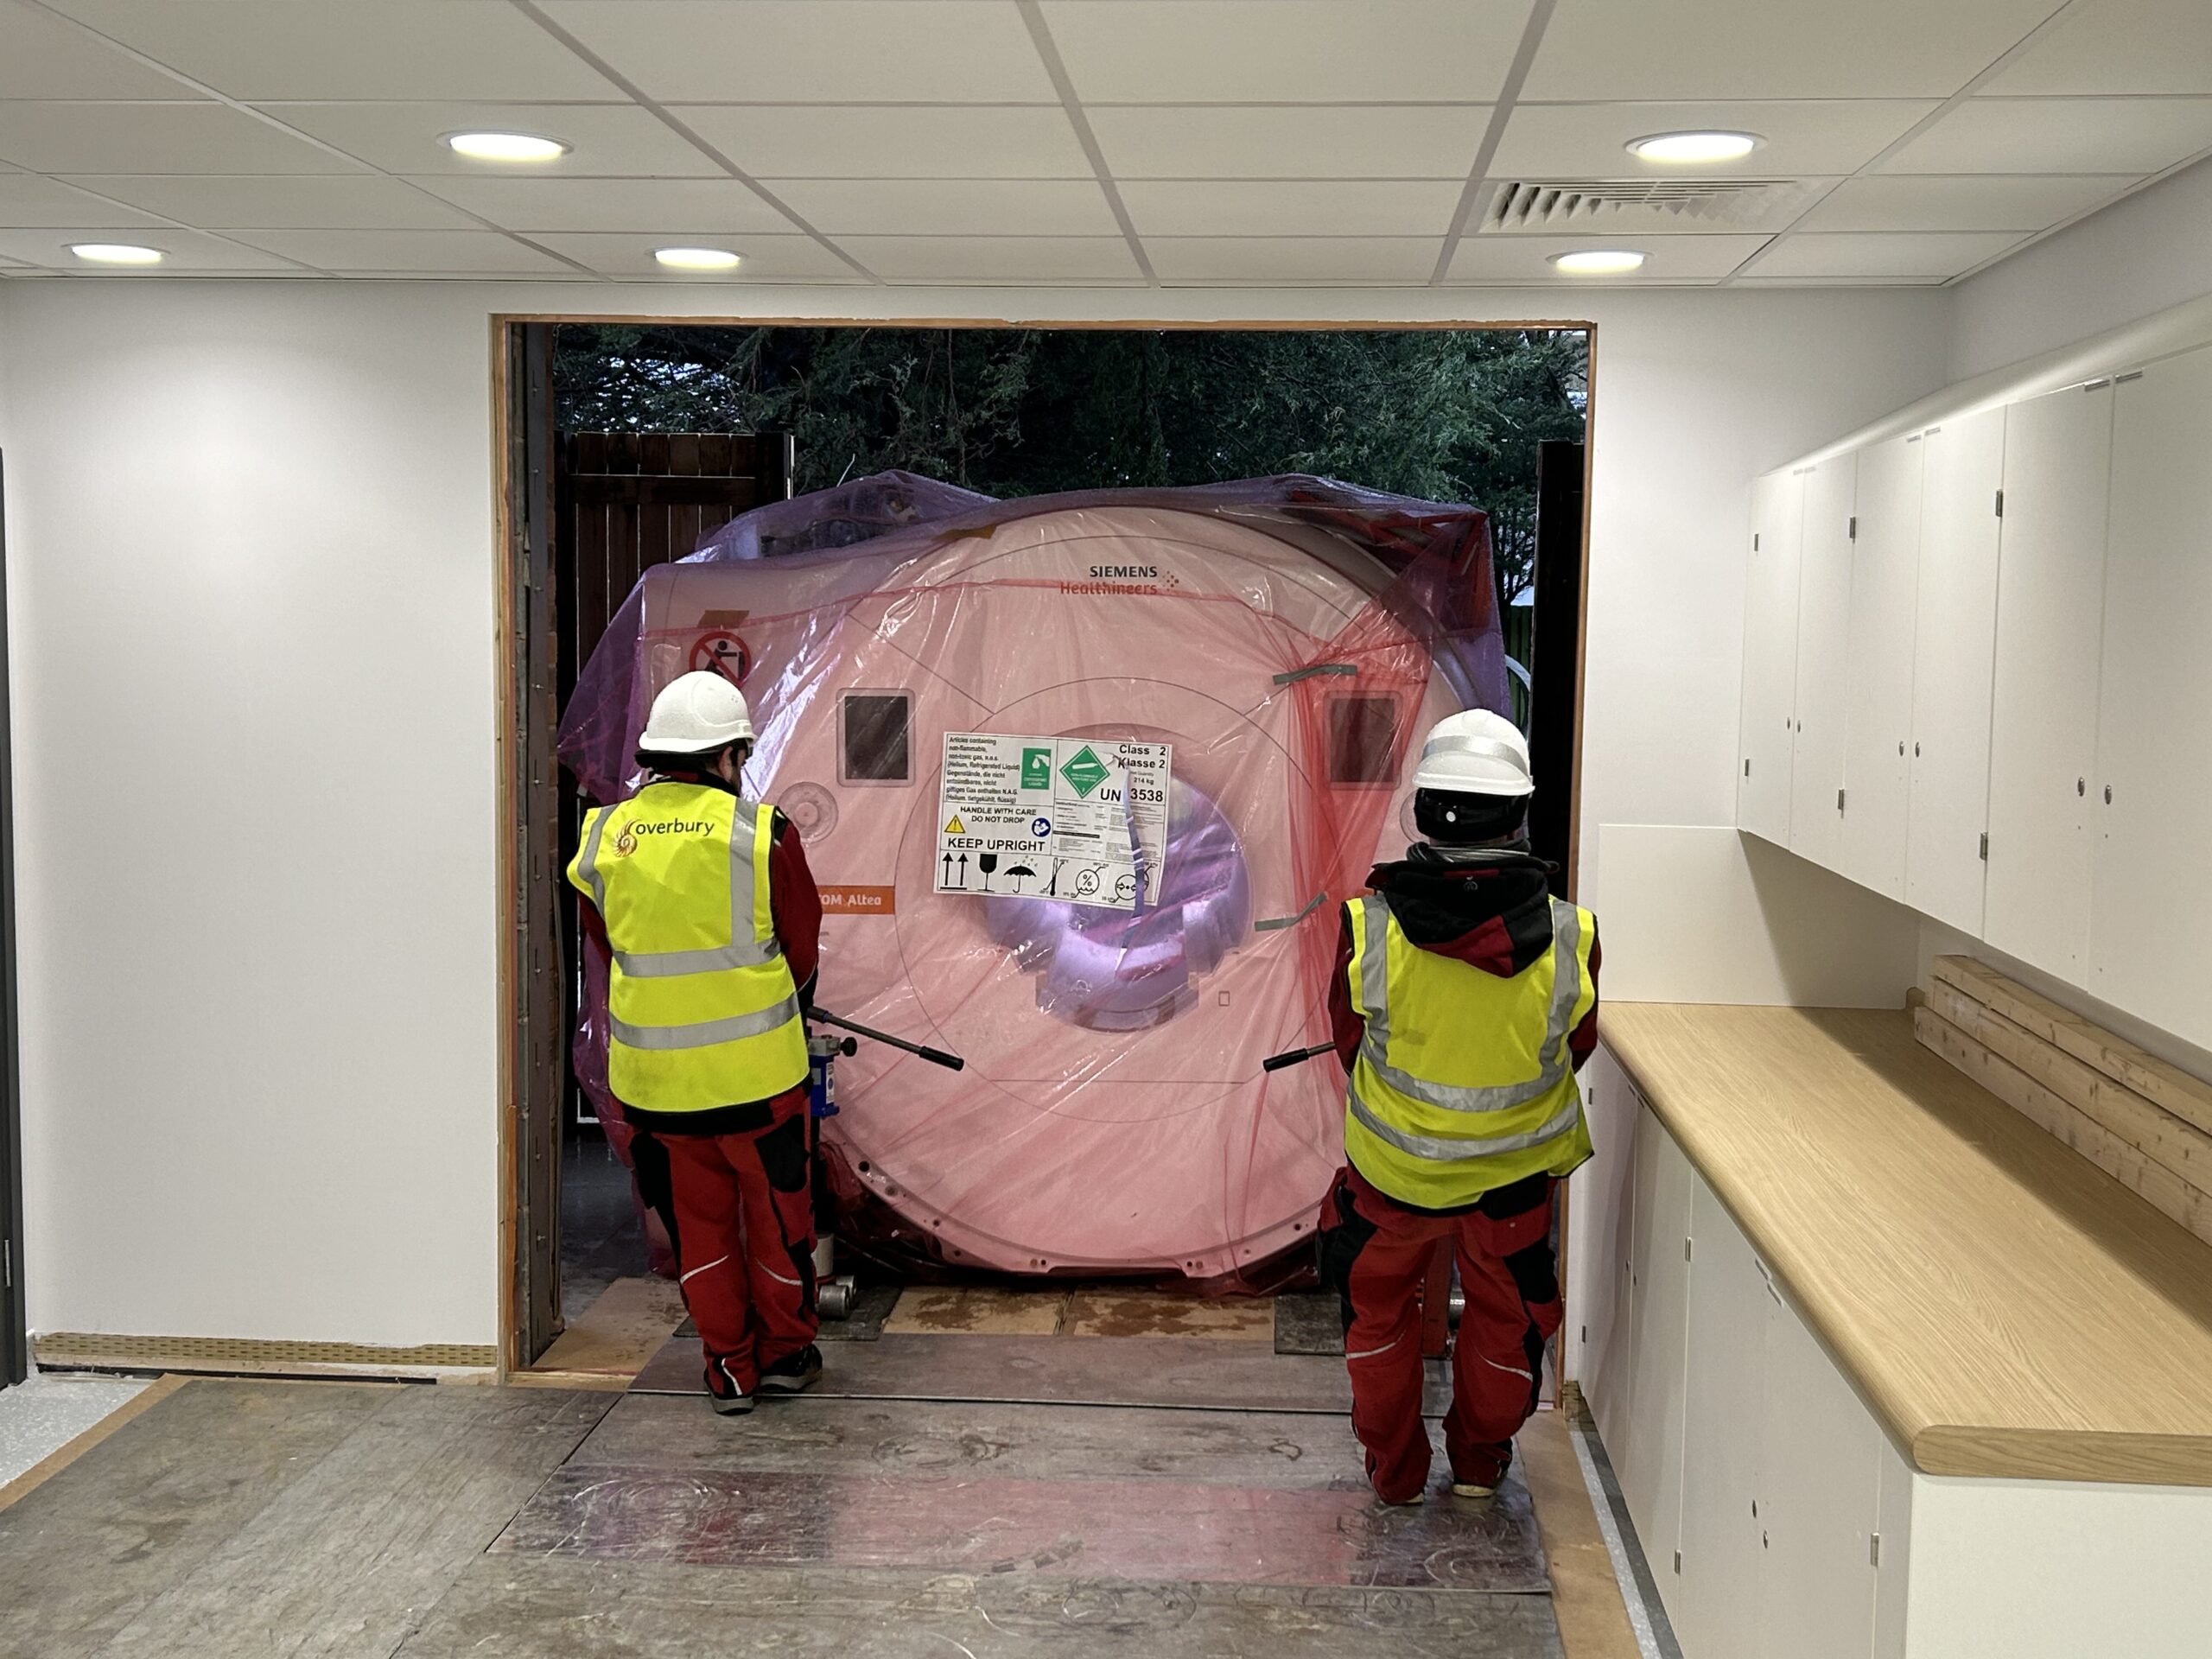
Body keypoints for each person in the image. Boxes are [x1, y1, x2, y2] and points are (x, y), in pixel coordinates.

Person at [1314, 709, 1599, 1505]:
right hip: (1513, 1185)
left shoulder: (1368, 926)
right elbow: (1575, 1048)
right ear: (1518, 813)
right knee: (1504, 1321)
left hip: (1393, 1179)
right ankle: (1478, 1468)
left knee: (1378, 1318)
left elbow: (1348, 1043)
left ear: (1425, 810)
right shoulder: (1572, 934)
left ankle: (1395, 1475)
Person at [566, 671, 826, 1415]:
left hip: (656, 1091)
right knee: (779, 1226)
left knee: (698, 1234)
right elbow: (800, 948)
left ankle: (729, 1371)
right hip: (759, 1087)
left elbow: (608, 944)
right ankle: (784, 1356)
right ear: (728, 756)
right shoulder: (761, 833)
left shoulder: (603, 838)